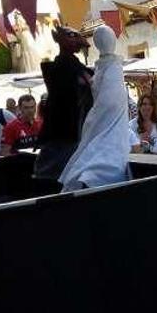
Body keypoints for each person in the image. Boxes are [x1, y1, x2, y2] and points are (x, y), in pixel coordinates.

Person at [59, 25, 131, 191]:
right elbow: (110, 101)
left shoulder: (105, 68)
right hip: (106, 116)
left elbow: (107, 98)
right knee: (100, 153)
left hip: (102, 116)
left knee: (94, 148)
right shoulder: (110, 68)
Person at [35, 25, 93, 183]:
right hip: (63, 131)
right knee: (52, 176)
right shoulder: (60, 68)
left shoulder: (79, 69)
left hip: (78, 130)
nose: (75, 40)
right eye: (71, 36)